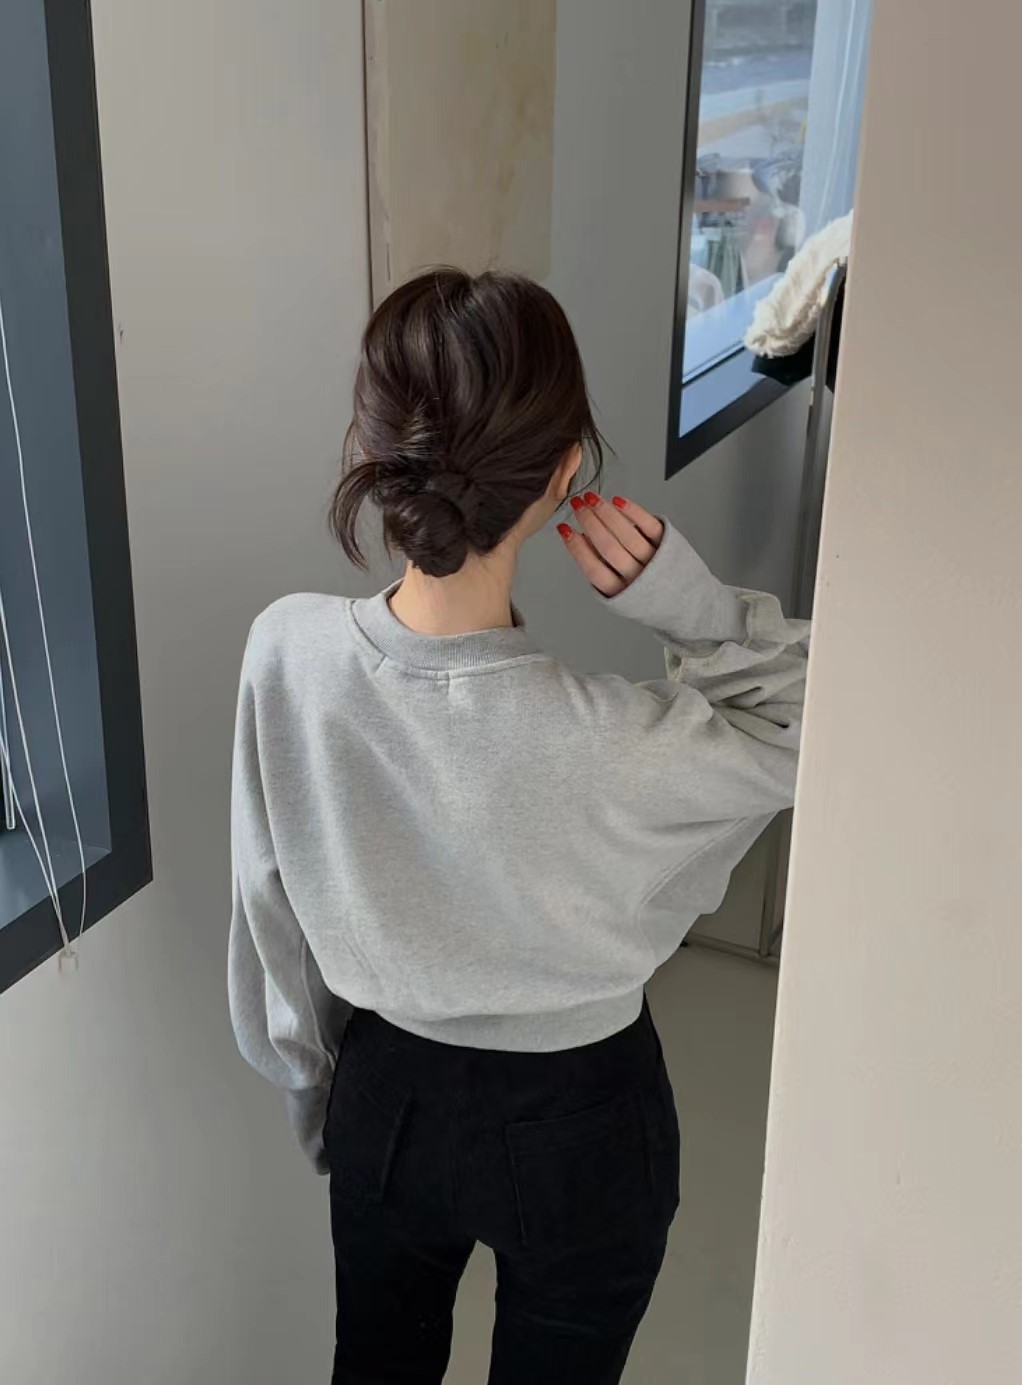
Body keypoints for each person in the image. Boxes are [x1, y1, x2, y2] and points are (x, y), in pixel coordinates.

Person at [228, 268, 808, 1384]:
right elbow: (813, 721)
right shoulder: (626, 743)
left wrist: (320, 1094)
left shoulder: (286, 652)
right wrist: (690, 605)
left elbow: (271, 911)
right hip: (584, 1115)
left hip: (383, 1093)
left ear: (375, 444)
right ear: (563, 473)